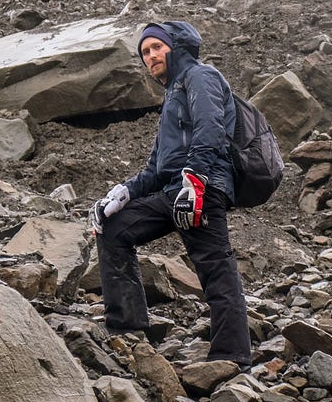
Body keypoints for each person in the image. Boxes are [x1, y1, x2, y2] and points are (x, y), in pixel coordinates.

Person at [90, 20, 252, 369]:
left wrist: (196, 182)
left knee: (216, 269)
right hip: (172, 191)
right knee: (114, 229)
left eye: (156, 48)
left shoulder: (200, 76)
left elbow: (210, 130)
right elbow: (157, 168)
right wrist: (123, 193)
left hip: (202, 190)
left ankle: (232, 359)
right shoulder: (174, 93)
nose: (150, 56)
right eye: (145, 52)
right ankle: (128, 331)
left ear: (174, 47)